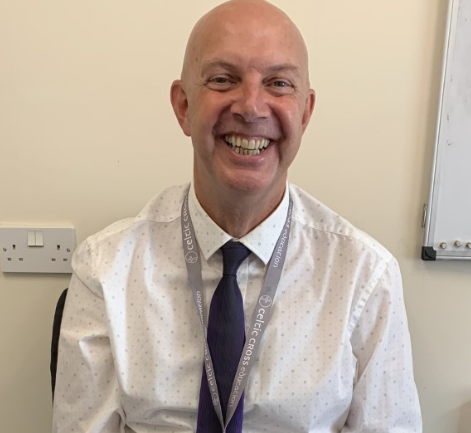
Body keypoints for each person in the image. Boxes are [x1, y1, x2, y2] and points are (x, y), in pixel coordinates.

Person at [52, 0, 422, 432]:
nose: (251, 106)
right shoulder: (105, 269)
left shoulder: (365, 277)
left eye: (278, 83)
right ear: (184, 106)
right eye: (223, 79)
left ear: (305, 112)